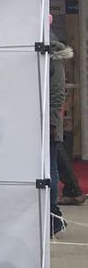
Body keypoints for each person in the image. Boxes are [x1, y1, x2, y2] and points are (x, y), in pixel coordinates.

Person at [50, 32, 83, 206]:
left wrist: (54, 119)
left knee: (55, 156)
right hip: (52, 116)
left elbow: (57, 93)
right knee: (56, 154)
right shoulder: (58, 61)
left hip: (50, 117)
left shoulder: (55, 61)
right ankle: (72, 189)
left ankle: (71, 190)